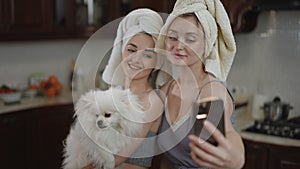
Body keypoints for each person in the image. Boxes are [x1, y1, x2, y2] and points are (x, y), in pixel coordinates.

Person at [155, 0, 245, 168]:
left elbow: (231, 139)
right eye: (173, 37)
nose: (178, 46)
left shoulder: (211, 90)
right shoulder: (165, 91)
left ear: (206, 45)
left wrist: (236, 159)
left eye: (190, 39)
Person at [83, 8, 171, 169]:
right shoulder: (112, 95)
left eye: (147, 55)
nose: (136, 59)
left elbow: (117, 158)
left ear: (156, 62)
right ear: (121, 50)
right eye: (131, 49)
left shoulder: (152, 100)